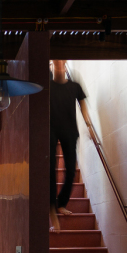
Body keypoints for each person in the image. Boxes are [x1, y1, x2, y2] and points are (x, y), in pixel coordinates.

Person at [49, 60, 96, 232]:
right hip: (50, 131)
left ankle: (61, 204)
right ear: (51, 64)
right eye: (56, 61)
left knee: (71, 170)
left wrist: (89, 127)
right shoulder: (47, 86)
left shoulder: (75, 86)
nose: (60, 64)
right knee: (49, 170)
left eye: (62, 61)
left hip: (69, 130)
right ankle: (52, 212)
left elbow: (84, 108)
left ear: (65, 64)